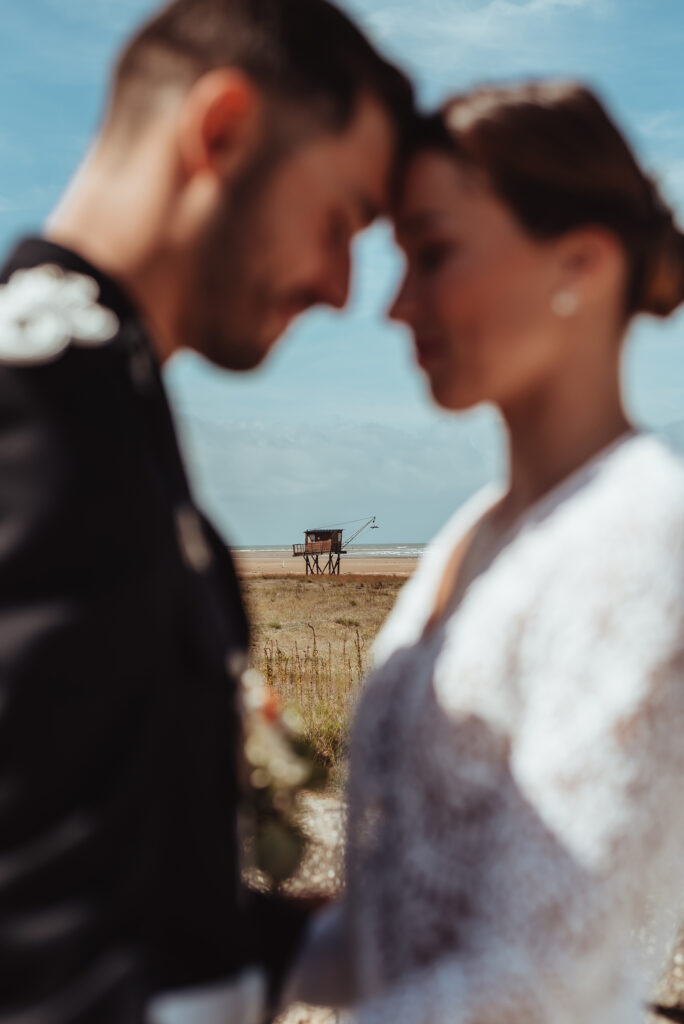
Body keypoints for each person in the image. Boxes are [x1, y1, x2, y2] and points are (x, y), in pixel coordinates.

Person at [0, 1, 413, 1021]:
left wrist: (354, 937)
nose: (340, 288)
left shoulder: (103, 399)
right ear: (221, 131)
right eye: (339, 221)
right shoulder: (34, 414)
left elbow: (117, 889)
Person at [286, 82, 684, 1023]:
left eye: (431, 254)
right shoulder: (472, 530)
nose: (395, 306)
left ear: (580, 265)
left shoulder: (643, 535)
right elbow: (395, 925)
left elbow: (534, 982)